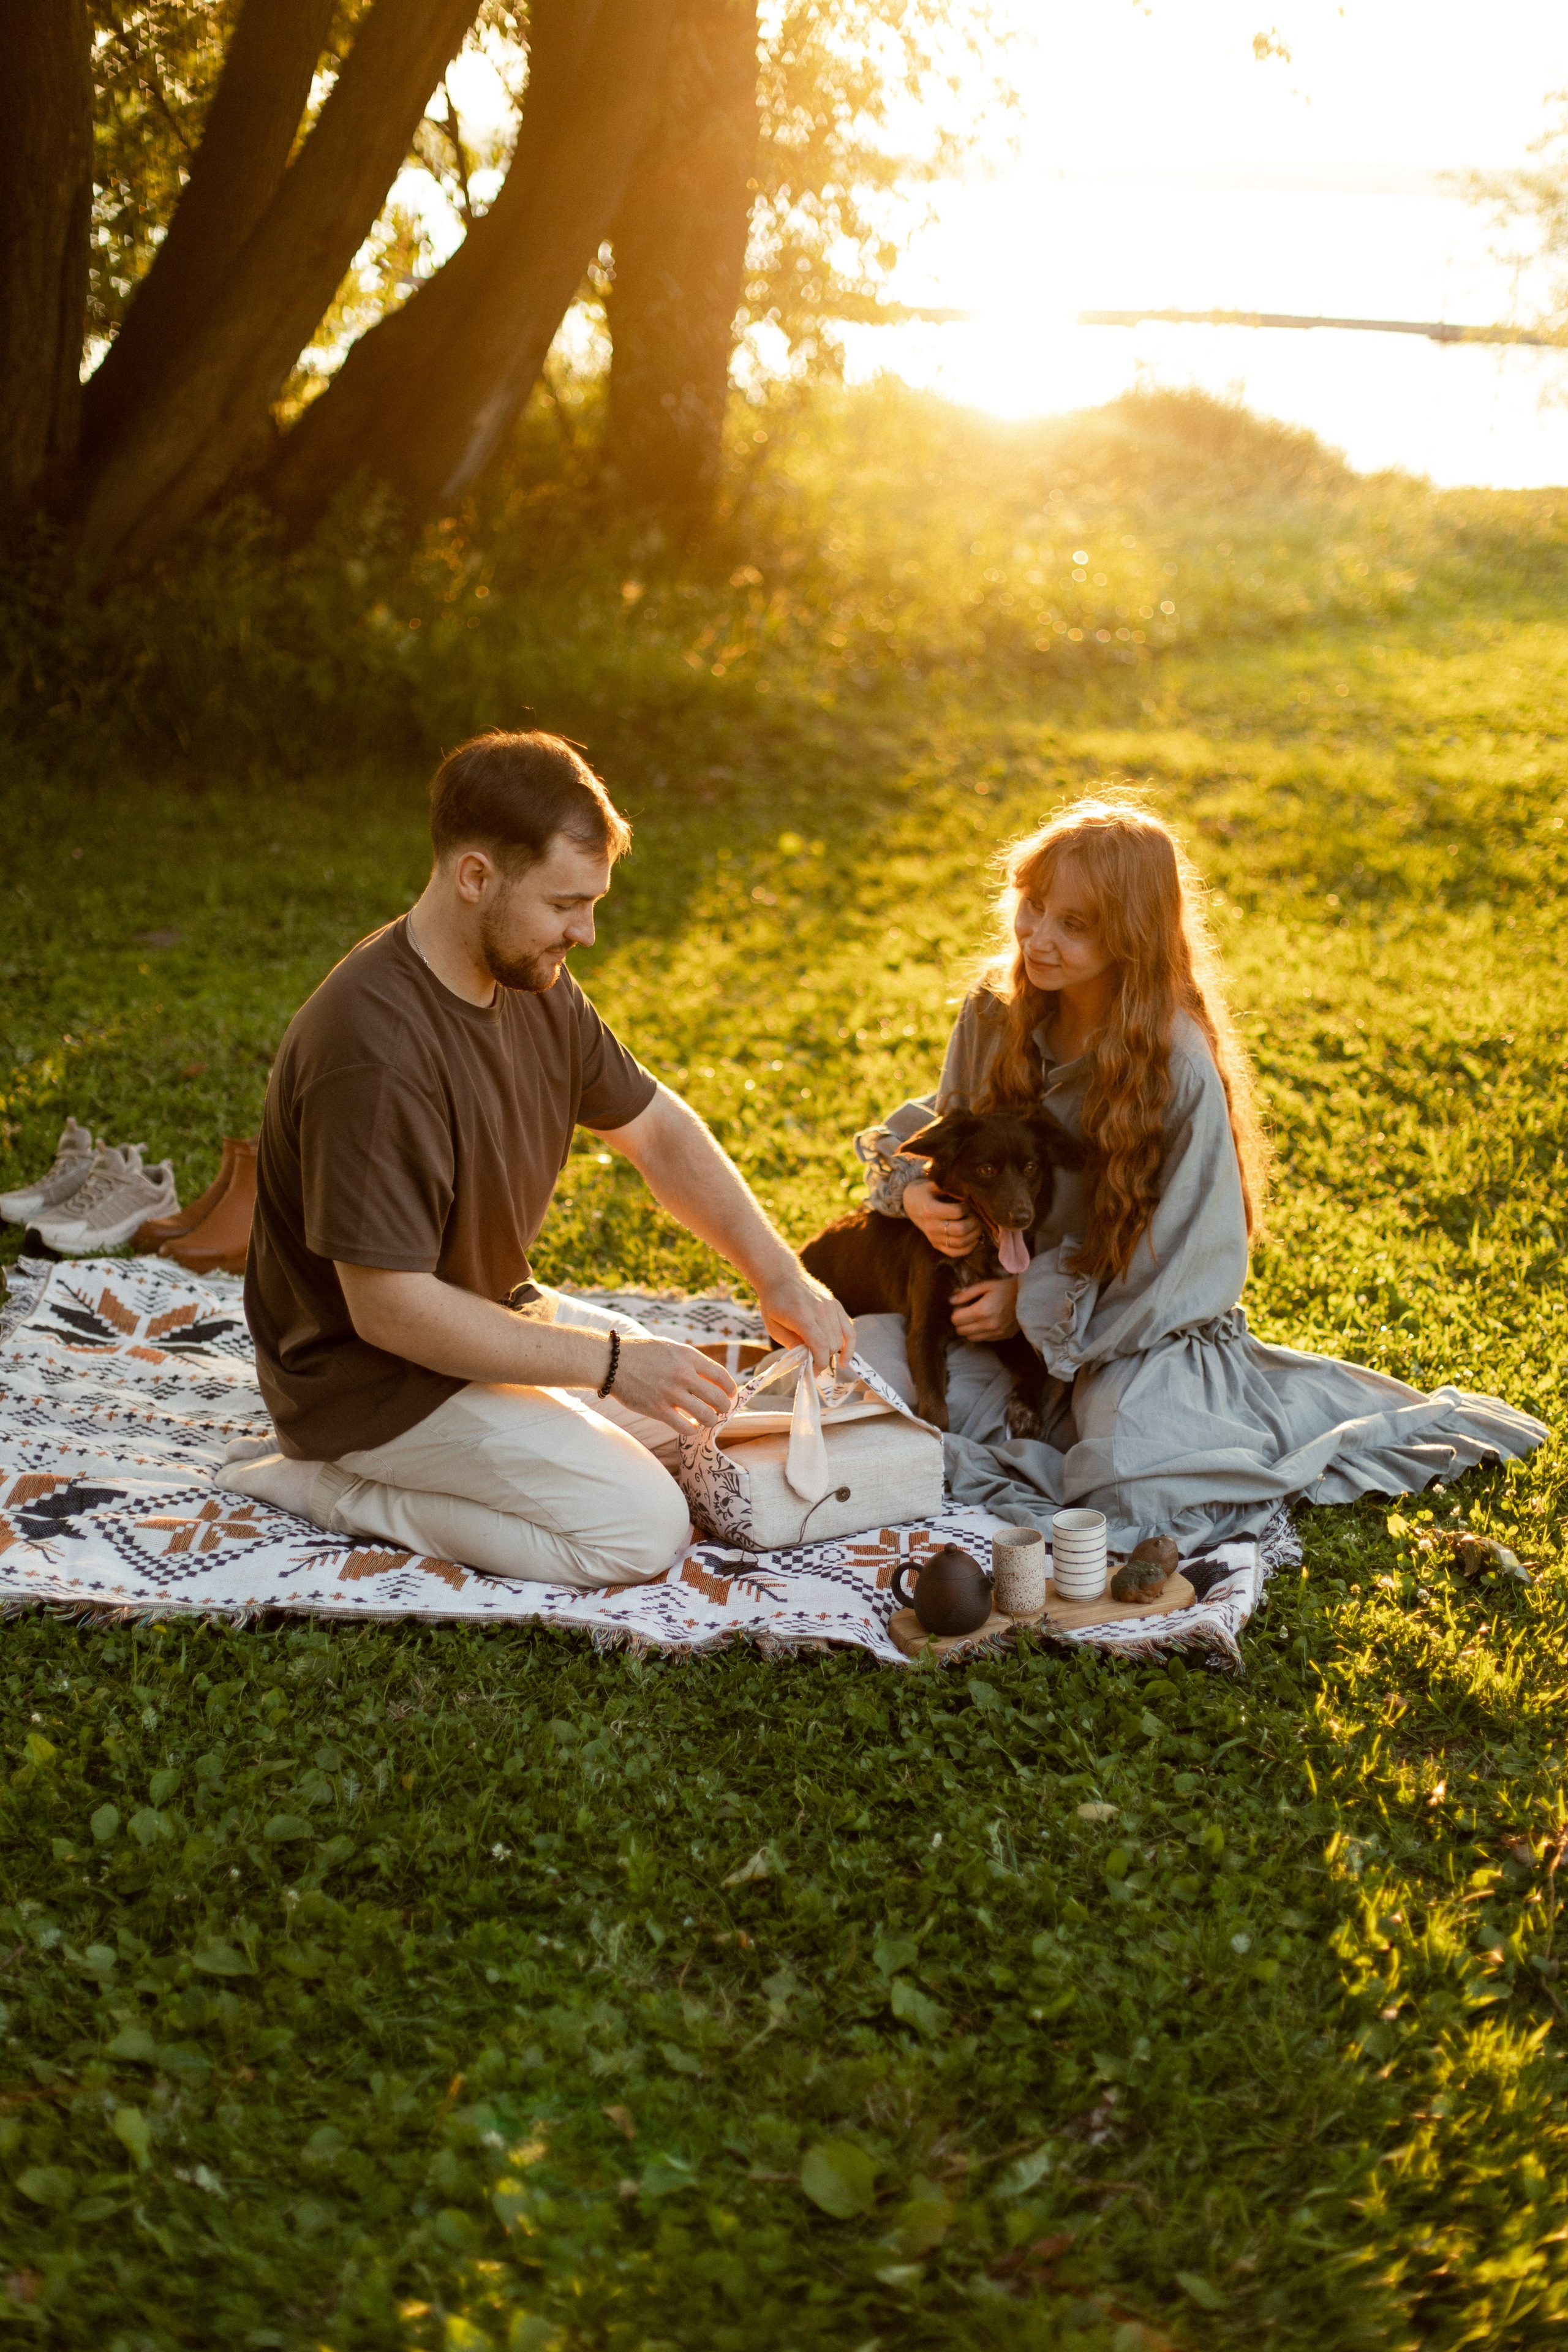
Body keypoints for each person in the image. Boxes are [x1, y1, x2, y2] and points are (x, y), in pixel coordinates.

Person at [220, 729, 851, 1587]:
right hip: (370, 1384)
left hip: (487, 1317)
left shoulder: (532, 980)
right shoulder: (374, 1050)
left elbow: (657, 1131)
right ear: (476, 877)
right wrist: (614, 1366)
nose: (585, 932)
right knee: (642, 1530)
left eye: (591, 903)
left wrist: (779, 1274)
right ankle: (331, 1483)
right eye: (565, 904)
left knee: (701, 1428)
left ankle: (543, 1415)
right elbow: (390, 1313)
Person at [850, 797, 1546, 1555]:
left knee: (1138, 1488)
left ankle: (1105, 1418)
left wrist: (1032, 1299)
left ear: (1132, 935)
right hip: (994, 1317)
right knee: (860, 1379)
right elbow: (948, 1126)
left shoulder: (1174, 1061)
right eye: (1035, 907)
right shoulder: (995, 1007)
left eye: (1074, 925)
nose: (1039, 938)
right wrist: (917, 1195)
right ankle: (1045, 1412)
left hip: (1134, 1324)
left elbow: (1182, 1261)